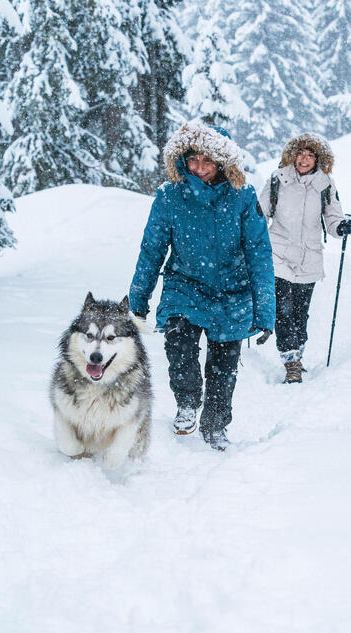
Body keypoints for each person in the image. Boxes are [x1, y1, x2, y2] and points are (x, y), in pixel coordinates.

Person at [128, 122, 275, 451]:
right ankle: (188, 401)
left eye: (208, 161)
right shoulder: (170, 196)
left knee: (224, 365)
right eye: (193, 160)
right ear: (183, 159)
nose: (200, 168)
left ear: (223, 163)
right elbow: (152, 249)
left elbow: (259, 253)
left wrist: (265, 310)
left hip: (232, 292)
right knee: (178, 343)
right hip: (185, 285)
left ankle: (216, 425)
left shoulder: (243, 196)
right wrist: (139, 297)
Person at [258, 133, 351, 383]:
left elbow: (333, 217)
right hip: (277, 252)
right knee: (283, 309)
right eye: (301, 153)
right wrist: (250, 227)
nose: (304, 159)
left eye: (310, 155)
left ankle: (297, 352)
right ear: (293, 155)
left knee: (301, 313)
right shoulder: (278, 179)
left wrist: (341, 226)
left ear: (318, 159)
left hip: (309, 256)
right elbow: (261, 211)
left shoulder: (325, 184)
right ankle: (290, 361)